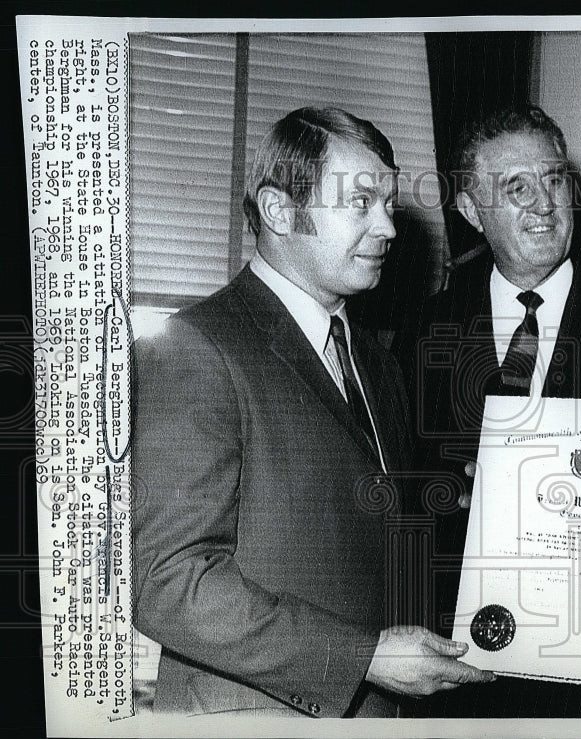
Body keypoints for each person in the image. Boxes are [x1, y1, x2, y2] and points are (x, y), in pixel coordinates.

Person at [131, 106, 493, 718]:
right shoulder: (195, 347)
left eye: (387, 203)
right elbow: (169, 582)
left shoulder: (376, 363)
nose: (388, 228)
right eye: (360, 202)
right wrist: (363, 658)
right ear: (278, 211)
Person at [399, 104, 581, 717]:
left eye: (554, 181)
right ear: (471, 212)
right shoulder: (424, 331)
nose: (544, 205)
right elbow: (398, 492)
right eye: (515, 188)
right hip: (453, 673)